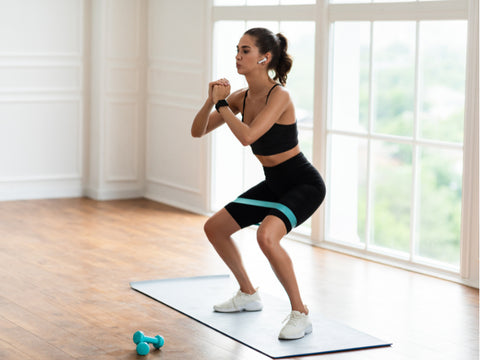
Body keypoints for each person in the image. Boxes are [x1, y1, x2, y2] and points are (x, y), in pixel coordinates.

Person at [191, 27, 326, 340]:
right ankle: (248, 294)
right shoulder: (240, 97)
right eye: (237, 49)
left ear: (265, 58)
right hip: (274, 183)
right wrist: (210, 100)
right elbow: (198, 131)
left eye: (246, 50)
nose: (238, 56)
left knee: (266, 237)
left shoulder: (279, 96)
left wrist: (222, 105)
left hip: (303, 184)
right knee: (215, 228)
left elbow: (248, 137)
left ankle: (300, 313)